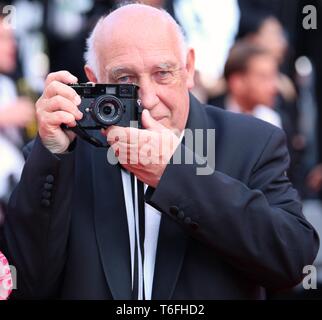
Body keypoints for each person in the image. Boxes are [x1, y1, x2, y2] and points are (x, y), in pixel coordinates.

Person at [2, 3, 319, 300]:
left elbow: (292, 260)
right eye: (125, 79)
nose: (148, 98)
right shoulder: (65, 154)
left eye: (163, 73)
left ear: (189, 68)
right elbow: (26, 283)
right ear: (94, 81)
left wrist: (176, 174)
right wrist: (51, 155)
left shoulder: (251, 141)